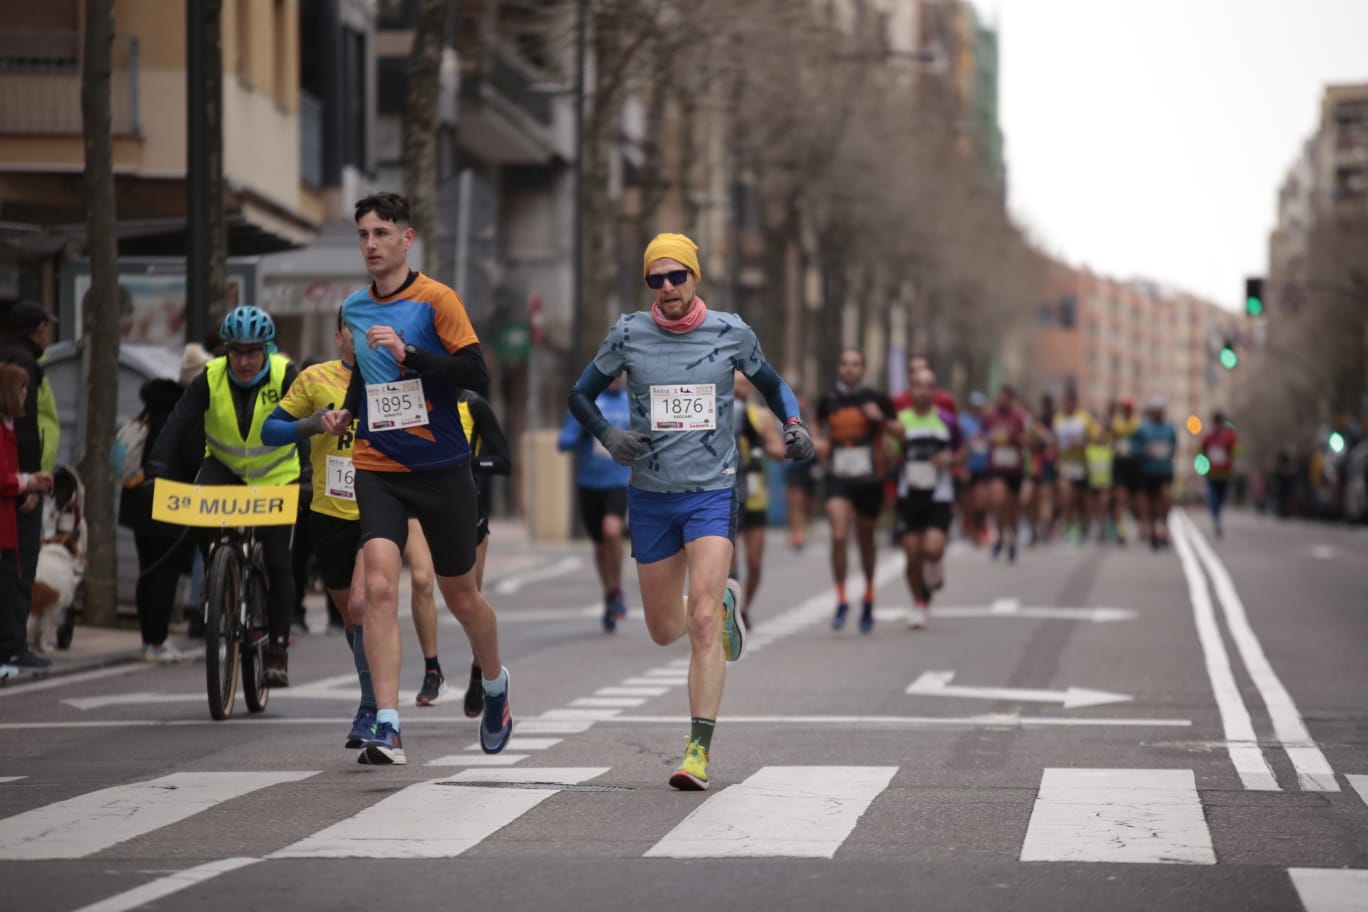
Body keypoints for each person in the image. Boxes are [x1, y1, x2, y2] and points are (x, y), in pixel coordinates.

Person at [567, 232, 812, 791]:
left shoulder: (731, 332)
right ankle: (722, 602)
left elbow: (774, 386)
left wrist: (793, 425)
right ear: (648, 284)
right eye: (658, 278)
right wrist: (608, 434)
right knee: (661, 630)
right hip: (651, 496)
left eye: (678, 276)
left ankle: (697, 751)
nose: (669, 287)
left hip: (712, 491)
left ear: (695, 278)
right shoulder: (628, 333)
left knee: (700, 621)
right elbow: (580, 394)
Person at [319, 191, 512, 765]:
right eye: (363, 235)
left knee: (462, 597)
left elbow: (476, 373)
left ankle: (497, 686)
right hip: (379, 467)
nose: (371, 244)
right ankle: (388, 722)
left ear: (407, 239)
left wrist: (412, 355)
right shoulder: (354, 307)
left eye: (382, 233)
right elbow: (367, 377)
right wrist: (347, 411)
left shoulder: (437, 300)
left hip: (441, 467)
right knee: (377, 586)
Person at [144, 305, 302, 686]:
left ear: (267, 350)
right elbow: (179, 421)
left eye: (252, 352)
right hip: (226, 467)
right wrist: (156, 467)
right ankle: (217, 576)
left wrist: (310, 472)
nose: (244, 361)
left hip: (277, 476)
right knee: (204, 515)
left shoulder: (285, 374)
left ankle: (277, 649)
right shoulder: (210, 377)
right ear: (225, 351)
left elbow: (308, 423)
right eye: (236, 352)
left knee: (279, 560)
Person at [117, 374, 198, 663]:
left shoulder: (151, 408)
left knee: (148, 573)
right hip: (169, 505)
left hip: (139, 502)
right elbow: (192, 459)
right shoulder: (184, 414)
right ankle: (158, 641)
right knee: (165, 576)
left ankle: (147, 639)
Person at [814, 348, 896, 633]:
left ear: (864, 369)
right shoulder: (828, 401)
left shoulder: (877, 399)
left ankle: (870, 596)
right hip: (838, 476)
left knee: (865, 541)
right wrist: (818, 442)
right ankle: (841, 599)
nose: (850, 369)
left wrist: (881, 420)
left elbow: (901, 433)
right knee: (838, 535)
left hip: (869, 479)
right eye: (845, 364)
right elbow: (817, 426)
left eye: (855, 364)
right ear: (839, 369)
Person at [0, 302, 59, 671]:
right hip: (18, 490)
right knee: (17, 569)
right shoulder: (23, 365)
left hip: (17, 485)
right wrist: (30, 483)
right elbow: (26, 428)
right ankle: (12, 646)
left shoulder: (12, 356)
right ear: (39, 329)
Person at [557, 373, 632, 632]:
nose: (615, 378)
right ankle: (610, 592)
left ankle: (617, 589)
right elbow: (563, 443)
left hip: (619, 480)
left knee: (612, 531)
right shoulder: (587, 402)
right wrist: (582, 433)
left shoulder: (632, 402)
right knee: (600, 546)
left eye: (619, 373)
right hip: (589, 484)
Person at [892, 367, 959, 630]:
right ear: (911, 389)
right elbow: (890, 453)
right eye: (917, 385)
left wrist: (949, 459)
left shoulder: (947, 421)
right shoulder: (900, 420)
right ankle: (919, 602)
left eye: (928, 385)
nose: (922, 390)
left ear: (934, 391)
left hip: (939, 495)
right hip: (909, 494)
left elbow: (961, 452)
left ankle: (936, 562)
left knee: (931, 549)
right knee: (911, 555)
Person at [731, 370, 785, 628]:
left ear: (750, 389)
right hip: (726, 494)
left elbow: (779, 452)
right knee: (728, 561)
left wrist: (756, 440)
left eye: (743, 385)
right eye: (734, 384)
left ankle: (745, 607)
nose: (738, 390)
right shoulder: (717, 413)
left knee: (754, 560)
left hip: (754, 494)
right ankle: (728, 610)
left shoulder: (761, 416)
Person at [984, 385, 1028, 562]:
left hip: (1014, 468)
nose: (1001, 400)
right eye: (999, 397)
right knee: (998, 501)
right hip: (996, 467)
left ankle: (1012, 541)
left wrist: (1013, 437)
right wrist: (990, 438)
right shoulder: (990, 417)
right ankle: (1000, 536)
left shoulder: (1019, 417)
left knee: (1013, 509)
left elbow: (1027, 439)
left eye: (1004, 398)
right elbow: (981, 436)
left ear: (1011, 399)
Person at [1052, 388, 1096, 544]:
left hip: (1082, 465)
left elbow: (1095, 439)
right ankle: (1068, 527)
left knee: (1081, 501)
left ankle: (1083, 526)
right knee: (1066, 497)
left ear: (1076, 403)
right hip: (1065, 465)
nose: (1069, 404)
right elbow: (1054, 440)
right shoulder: (1058, 418)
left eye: (1072, 401)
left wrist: (1082, 443)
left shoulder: (1084, 419)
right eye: (1067, 401)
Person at [1133, 395, 1177, 549]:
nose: (1158, 413)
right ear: (1152, 411)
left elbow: (1173, 445)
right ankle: (1152, 529)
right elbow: (1135, 447)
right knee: (1150, 502)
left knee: (1165, 498)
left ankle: (1164, 526)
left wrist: (1167, 453)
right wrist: (1144, 450)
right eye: (1156, 410)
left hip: (1164, 470)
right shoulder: (1143, 428)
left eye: (1161, 410)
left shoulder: (1170, 427)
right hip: (1147, 471)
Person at [958, 391, 992, 545]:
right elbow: (958, 443)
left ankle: (981, 526)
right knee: (968, 501)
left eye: (980, 406)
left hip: (984, 467)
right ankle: (969, 525)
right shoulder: (963, 421)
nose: (977, 408)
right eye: (974, 406)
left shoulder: (989, 421)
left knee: (982, 500)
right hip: (968, 466)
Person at [1109, 394, 1142, 546]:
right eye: (1125, 408)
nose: (1126, 410)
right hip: (1120, 465)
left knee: (1136, 500)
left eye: (1129, 408)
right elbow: (1109, 441)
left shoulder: (1138, 424)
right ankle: (1121, 531)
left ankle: (1140, 525)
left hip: (1135, 465)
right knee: (1120, 498)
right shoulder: (1116, 423)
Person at [1200, 410, 1239, 538]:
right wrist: (1203, 468)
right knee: (1213, 497)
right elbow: (1201, 452)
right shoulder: (1208, 436)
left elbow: (1237, 452)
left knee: (1222, 497)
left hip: (1225, 473)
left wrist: (1230, 452)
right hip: (1212, 473)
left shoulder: (1229, 436)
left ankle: (1217, 515)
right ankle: (1216, 518)